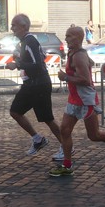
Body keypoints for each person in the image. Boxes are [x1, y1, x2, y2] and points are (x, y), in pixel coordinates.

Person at [50, 26, 105, 177]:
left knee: (94, 135)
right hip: (74, 99)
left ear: (78, 38)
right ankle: (67, 166)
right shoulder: (74, 53)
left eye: (69, 36)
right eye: (66, 35)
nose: (66, 38)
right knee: (65, 130)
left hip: (85, 101)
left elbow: (86, 81)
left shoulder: (78, 56)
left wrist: (66, 77)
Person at [5, 13, 64, 158]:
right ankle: (38, 139)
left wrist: (17, 64)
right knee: (15, 112)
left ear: (24, 26)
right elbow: (42, 56)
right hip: (31, 84)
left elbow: (37, 65)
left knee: (47, 118)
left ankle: (66, 146)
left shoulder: (30, 41)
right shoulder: (27, 42)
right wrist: (20, 56)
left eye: (14, 25)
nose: (12, 28)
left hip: (38, 84)